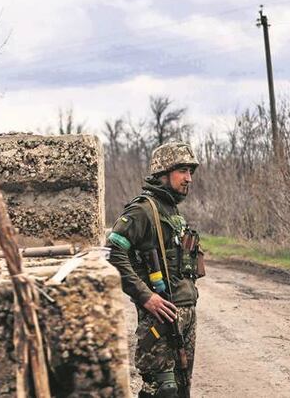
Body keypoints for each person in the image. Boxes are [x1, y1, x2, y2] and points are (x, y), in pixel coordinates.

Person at [106, 142, 205, 398]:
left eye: (190, 172)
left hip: (185, 316)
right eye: (182, 170)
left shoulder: (172, 211)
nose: (189, 178)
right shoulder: (143, 210)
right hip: (159, 320)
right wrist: (145, 296)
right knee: (162, 390)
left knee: (181, 389)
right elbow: (114, 253)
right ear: (163, 173)